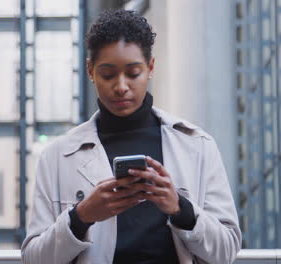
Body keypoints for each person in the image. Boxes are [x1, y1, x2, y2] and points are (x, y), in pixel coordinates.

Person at [21, 9, 241, 264]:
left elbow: (226, 252)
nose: (121, 86)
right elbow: (34, 259)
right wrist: (80, 217)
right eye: (108, 74)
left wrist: (181, 209)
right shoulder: (58, 156)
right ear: (90, 71)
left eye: (133, 73)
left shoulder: (197, 145)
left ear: (150, 68)